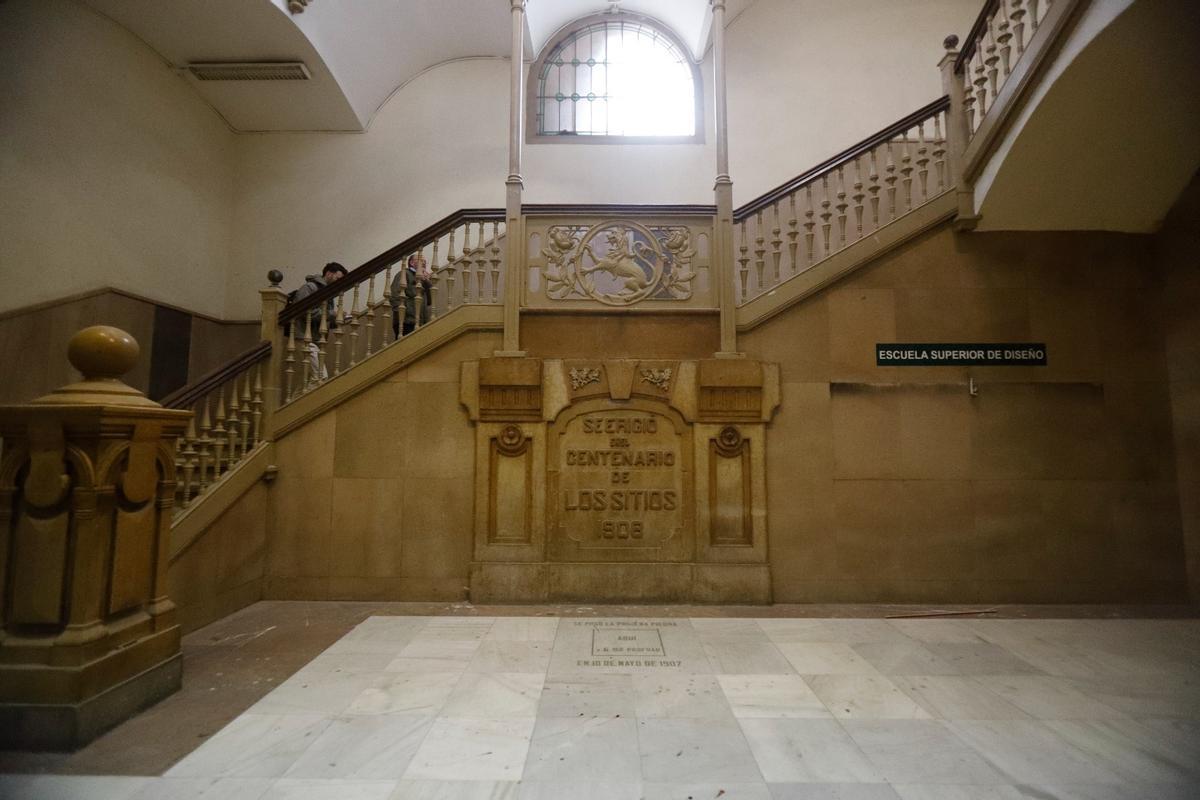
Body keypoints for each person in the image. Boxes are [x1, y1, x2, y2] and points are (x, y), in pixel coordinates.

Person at [290, 262, 347, 384]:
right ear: (328, 273)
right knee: (321, 376)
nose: (339, 282)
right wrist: (333, 314)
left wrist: (338, 320)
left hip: (314, 339)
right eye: (338, 278)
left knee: (311, 379)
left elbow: (323, 318)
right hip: (303, 337)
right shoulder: (309, 288)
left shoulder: (328, 293)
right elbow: (304, 312)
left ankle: (297, 402)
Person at [390, 253, 433, 338]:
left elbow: (429, 301)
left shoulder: (422, 279)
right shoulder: (404, 273)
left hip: (420, 322)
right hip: (406, 321)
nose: (423, 263)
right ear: (412, 263)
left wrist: (427, 282)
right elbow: (395, 295)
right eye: (420, 260)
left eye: (425, 261)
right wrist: (404, 315)